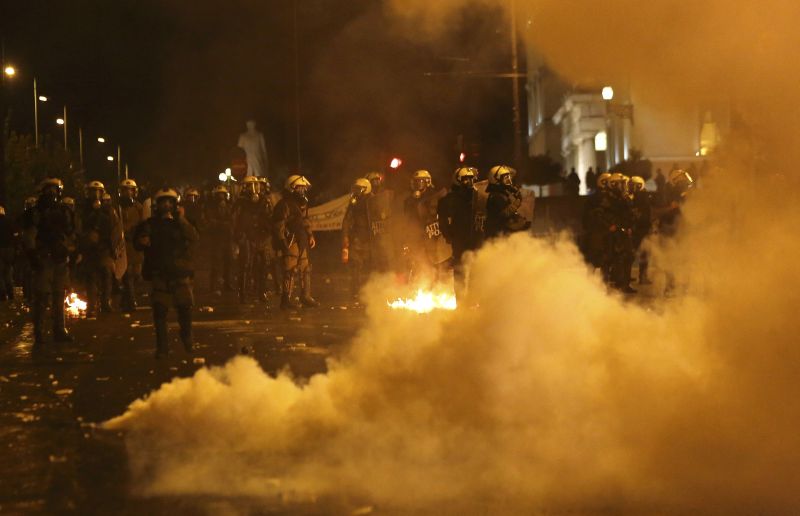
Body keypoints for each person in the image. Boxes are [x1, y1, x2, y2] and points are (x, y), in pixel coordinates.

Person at [133, 188, 199, 359]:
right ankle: (162, 348)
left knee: (185, 310)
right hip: (160, 273)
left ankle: (187, 338)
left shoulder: (181, 222)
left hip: (180, 274)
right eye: (163, 202)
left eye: (170, 202)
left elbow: (194, 237)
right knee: (160, 312)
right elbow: (137, 241)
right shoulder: (150, 224)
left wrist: (181, 219)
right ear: (158, 205)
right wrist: (142, 241)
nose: (167, 205)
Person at [22, 178, 76, 346]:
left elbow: (72, 231)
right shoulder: (35, 212)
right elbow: (29, 234)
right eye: (49, 190)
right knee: (42, 296)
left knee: (59, 296)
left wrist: (70, 250)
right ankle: (39, 332)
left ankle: (59, 330)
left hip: (59, 257)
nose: (52, 193)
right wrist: (33, 255)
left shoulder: (64, 211)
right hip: (43, 258)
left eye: (55, 190)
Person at [437, 167, 485, 301]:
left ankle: (474, 301)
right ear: (458, 180)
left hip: (476, 239)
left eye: (471, 179)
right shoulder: (449, 200)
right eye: (465, 179)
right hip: (459, 241)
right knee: (460, 272)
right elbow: (443, 221)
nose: (469, 182)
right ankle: (461, 303)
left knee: (475, 271)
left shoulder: (478, 197)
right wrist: (449, 236)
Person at [272, 174, 318, 309]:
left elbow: (305, 221)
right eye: (300, 188)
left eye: (304, 188)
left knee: (305, 268)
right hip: (290, 240)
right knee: (290, 269)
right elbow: (278, 225)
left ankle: (306, 296)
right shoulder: (284, 204)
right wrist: (282, 242)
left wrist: (310, 235)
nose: (302, 191)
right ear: (291, 188)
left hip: (301, 239)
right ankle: (285, 300)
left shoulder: (302, 204)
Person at [78, 181, 119, 316]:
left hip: (104, 247)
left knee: (106, 274)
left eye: (98, 192)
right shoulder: (83, 210)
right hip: (90, 249)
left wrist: (114, 247)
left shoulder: (108, 210)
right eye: (92, 192)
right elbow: (79, 227)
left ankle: (105, 302)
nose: (95, 194)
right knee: (91, 277)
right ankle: (91, 305)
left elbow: (114, 228)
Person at [402, 169, 448, 283]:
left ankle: (439, 287)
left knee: (438, 262)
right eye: (416, 182)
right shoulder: (410, 200)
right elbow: (409, 220)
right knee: (421, 263)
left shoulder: (435, 196)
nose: (417, 185)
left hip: (433, 234)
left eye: (420, 182)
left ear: (427, 182)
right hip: (418, 236)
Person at [656, 169, 694, 295]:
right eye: (682, 179)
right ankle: (670, 286)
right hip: (671, 230)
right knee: (671, 258)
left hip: (681, 230)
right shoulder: (670, 193)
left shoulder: (683, 194)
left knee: (684, 259)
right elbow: (665, 211)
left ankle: (683, 284)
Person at [233, 176, 270, 303]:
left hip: (260, 237)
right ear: (245, 187)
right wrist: (239, 237)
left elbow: (268, 218)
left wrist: (267, 232)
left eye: (256, 185)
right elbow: (235, 220)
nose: (255, 188)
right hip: (247, 237)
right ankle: (243, 293)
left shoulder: (264, 200)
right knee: (246, 265)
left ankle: (261, 292)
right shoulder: (241, 202)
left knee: (263, 265)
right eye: (251, 185)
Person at [342, 178, 373, 300]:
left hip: (371, 239)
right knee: (355, 266)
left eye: (358, 189)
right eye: (355, 189)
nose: (356, 192)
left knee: (371, 266)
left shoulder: (373, 201)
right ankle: (356, 292)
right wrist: (345, 237)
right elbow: (347, 220)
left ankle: (372, 291)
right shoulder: (353, 203)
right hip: (357, 239)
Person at [607, 172, 636, 293]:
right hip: (616, 233)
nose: (624, 186)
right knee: (618, 258)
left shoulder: (623, 197)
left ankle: (625, 284)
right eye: (621, 184)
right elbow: (610, 215)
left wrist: (629, 227)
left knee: (628, 257)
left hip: (624, 231)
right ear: (614, 184)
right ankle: (618, 283)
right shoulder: (610, 199)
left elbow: (629, 214)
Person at [119, 179, 145, 312]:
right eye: (125, 190)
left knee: (137, 274)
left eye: (130, 190)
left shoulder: (139, 207)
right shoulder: (117, 208)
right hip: (125, 245)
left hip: (136, 244)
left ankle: (126, 298)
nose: (128, 193)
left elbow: (143, 224)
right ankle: (131, 299)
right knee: (127, 273)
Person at [582, 172, 614, 277]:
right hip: (599, 231)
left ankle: (597, 283)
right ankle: (600, 284)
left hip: (598, 231)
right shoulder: (600, 197)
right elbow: (597, 215)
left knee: (599, 257)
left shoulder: (598, 196)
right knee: (600, 257)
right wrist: (608, 226)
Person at [485, 165, 530, 239]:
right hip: (497, 235)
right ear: (496, 180)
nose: (509, 180)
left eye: (509, 177)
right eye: (506, 178)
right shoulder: (496, 196)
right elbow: (505, 214)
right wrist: (517, 201)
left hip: (500, 232)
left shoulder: (502, 193)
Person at [205, 184, 234, 295]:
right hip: (216, 239)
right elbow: (211, 223)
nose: (221, 197)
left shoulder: (229, 206)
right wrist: (223, 224)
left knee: (229, 262)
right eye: (219, 195)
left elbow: (232, 221)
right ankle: (214, 286)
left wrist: (221, 224)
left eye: (223, 195)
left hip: (227, 238)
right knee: (216, 263)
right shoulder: (211, 208)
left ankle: (227, 284)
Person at [364, 171, 395, 272]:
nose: (376, 183)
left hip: (386, 235)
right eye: (374, 181)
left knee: (388, 261)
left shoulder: (386, 194)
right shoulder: (365, 199)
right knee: (376, 265)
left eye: (378, 181)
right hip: (372, 237)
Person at [629, 176, 652, 285]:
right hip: (640, 229)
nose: (630, 187)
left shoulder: (640, 197)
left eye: (632, 185)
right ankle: (641, 277)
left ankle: (641, 276)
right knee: (641, 253)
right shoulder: (637, 196)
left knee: (641, 253)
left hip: (641, 229)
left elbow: (643, 214)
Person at [0, 206, 16, 301]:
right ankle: (10, 293)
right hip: (10, 249)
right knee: (8, 271)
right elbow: (15, 235)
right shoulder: (9, 222)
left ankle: (2, 294)